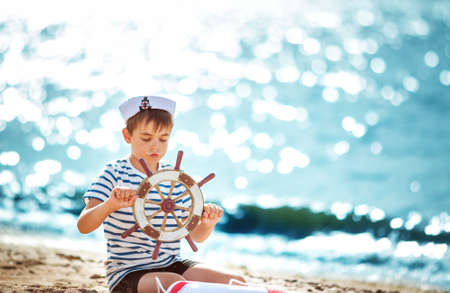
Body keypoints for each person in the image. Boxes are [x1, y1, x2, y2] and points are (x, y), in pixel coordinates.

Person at [77, 96, 245, 293]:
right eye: (146, 138)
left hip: (172, 264)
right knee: (174, 283)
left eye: (163, 138)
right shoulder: (113, 173)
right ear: (127, 135)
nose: (155, 146)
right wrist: (110, 205)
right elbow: (83, 225)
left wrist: (207, 223)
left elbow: (195, 236)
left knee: (236, 281)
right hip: (128, 274)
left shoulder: (174, 179)